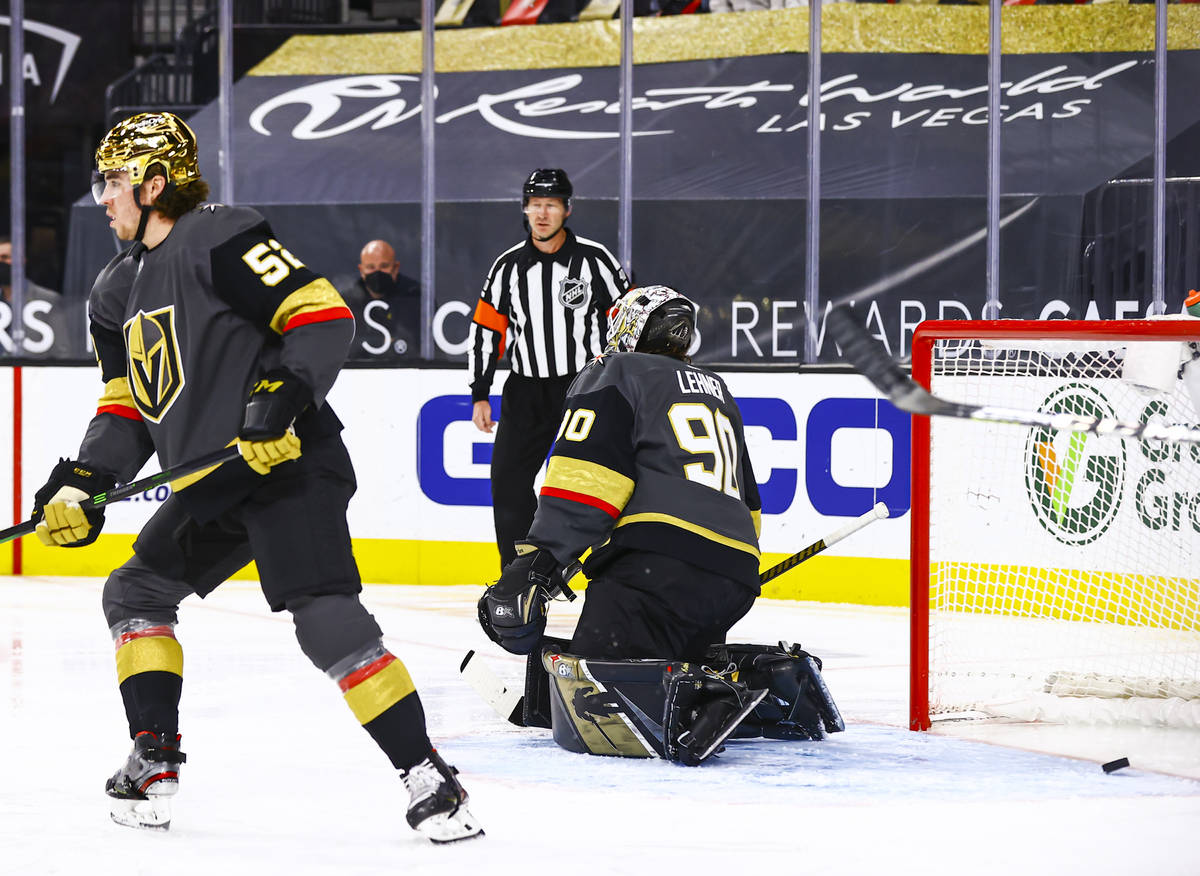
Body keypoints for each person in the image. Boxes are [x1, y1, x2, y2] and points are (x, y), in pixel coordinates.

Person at [29, 111, 482, 843]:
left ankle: (429, 776)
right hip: (211, 484)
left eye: (112, 181)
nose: (102, 197)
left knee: (325, 619)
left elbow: (320, 314)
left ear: (154, 184)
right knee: (135, 590)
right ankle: (154, 755)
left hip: (286, 465)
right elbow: (127, 405)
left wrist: (279, 399)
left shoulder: (217, 234)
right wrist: (83, 479)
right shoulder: (113, 294)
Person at [477, 286, 844, 766]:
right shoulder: (716, 389)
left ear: (627, 328)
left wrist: (539, 563)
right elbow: (750, 506)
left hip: (654, 573)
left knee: (594, 695)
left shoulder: (615, 372)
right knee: (668, 658)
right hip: (732, 578)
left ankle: (709, 699)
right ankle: (769, 680)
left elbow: (585, 481)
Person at [468, 168, 630, 570]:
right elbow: (487, 331)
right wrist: (479, 393)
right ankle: (519, 575)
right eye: (535, 205)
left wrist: (626, 380)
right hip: (526, 390)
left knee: (601, 483)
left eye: (551, 205)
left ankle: (610, 573)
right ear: (525, 209)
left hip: (585, 389)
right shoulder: (507, 267)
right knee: (508, 483)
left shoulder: (596, 260)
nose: (542, 214)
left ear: (567, 210)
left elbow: (629, 320)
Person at [343, 238, 420, 360]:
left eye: (384, 266)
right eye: (370, 267)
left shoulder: (415, 298)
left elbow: (424, 347)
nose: (377, 272)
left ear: (395, 268)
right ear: (361, 270)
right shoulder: (348, 303)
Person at [0, 236, 73, 357]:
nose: (1, 263)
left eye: (5, 257)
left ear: (21, 259)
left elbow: (63, 352)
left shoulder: (47, 300)